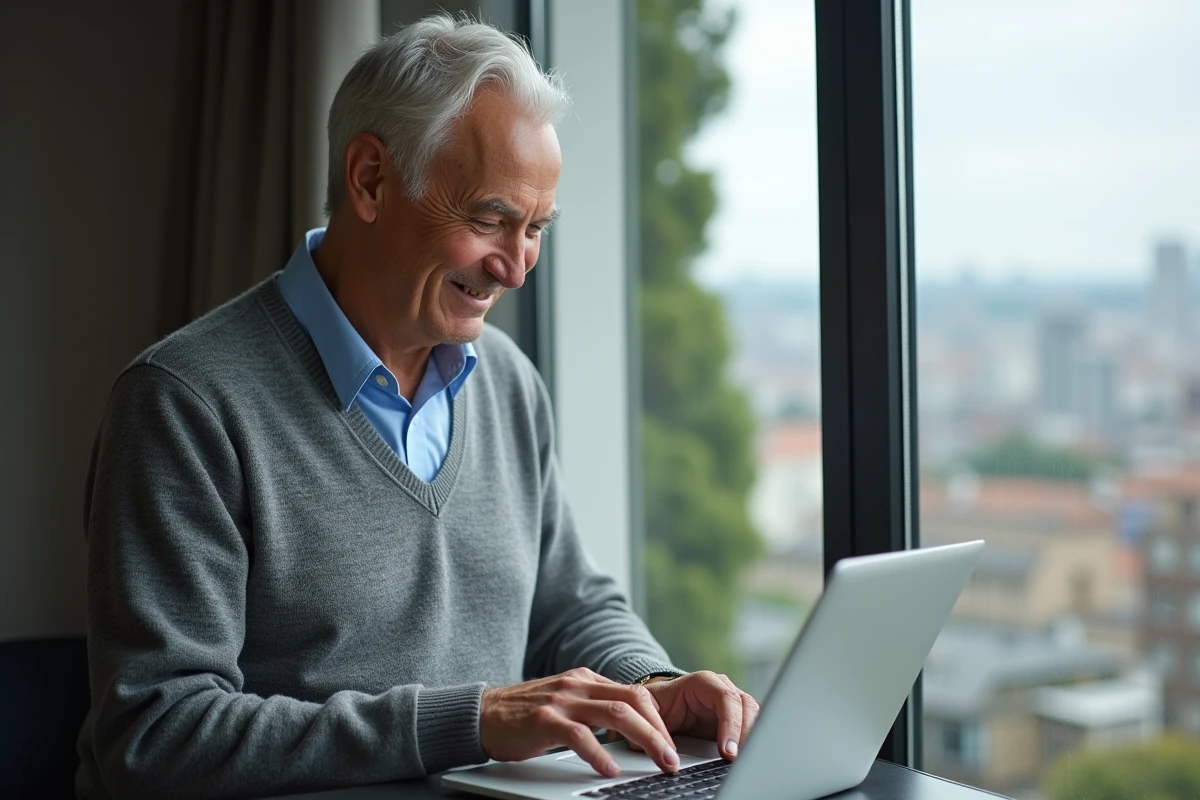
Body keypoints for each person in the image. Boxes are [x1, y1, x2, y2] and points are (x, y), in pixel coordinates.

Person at [76, 14, 758, 799]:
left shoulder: (507, 381)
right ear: (371, 179)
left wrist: (649, 685)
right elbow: (155, 735)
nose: (516, 268)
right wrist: (468, 722)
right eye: (490, 220)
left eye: (536, 229)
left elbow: (568, 605)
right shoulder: (183, 403)